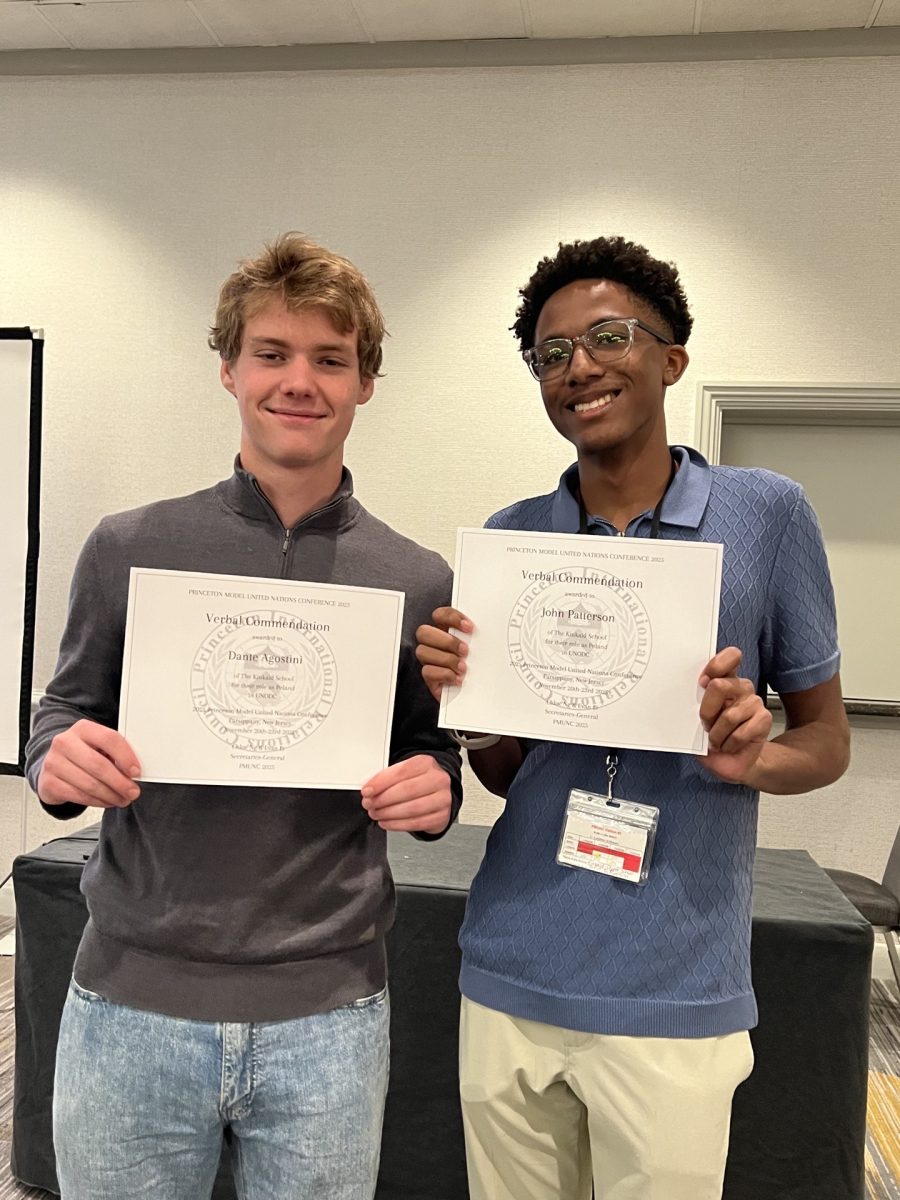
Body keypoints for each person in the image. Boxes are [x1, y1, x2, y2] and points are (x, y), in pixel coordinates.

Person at [26, 232, 461, 1200]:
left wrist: (433, 794)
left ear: (365, 384)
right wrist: (58, 758)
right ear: (228, 370)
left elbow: (432, 759)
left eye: (329, 359)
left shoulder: (417, 577)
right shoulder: (130, 545)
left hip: (329, 1022)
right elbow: (61, 712)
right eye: (272, 353)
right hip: (131, 1004)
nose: (298, 381)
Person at [415, 235, 849, 1200]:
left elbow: (825, 742)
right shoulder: (513, 538)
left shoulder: (767, 514)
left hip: (676, 981)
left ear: (671, 358)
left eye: (608, 337)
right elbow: (506, 772)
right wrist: (471, 710)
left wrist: (753, 758)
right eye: (552, 352)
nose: (581, 367)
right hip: (511, 961)